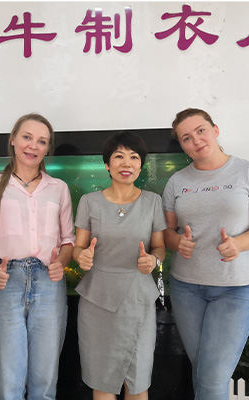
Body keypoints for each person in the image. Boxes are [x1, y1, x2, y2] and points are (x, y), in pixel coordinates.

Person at [162, 108, 249, 400]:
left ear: (215, 130)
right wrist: (178, 243)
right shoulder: (177, 182)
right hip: (187, 289)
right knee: (203, 372)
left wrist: (239, 243)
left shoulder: (247, 171)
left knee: (212, 379)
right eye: (186, 138)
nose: (196, 140)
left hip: (235, 289)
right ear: (182, 146)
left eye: (200, 130)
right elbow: (166, 232)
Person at [0, 113, 75, 400]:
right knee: (9, 385)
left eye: (42, 141)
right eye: (27, 137)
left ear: (47, 148)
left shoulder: (58, 188)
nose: (33, 146)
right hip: (5, 282)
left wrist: (61, 263)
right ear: (13, 140)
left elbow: (68, 240)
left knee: (45, 382)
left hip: (49, 283)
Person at [73, 132, 166, 400]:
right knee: (102, 380)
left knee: (138, 381)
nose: (127, 163)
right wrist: (81, 257)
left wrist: (153, 260)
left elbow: (159, 247)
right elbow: (78, 248)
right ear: (107, 164)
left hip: (138, 298)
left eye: (134, 157)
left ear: (141, 165)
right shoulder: (89, 201)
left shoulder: (153, 201)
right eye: (119, 156)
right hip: (97, 298)